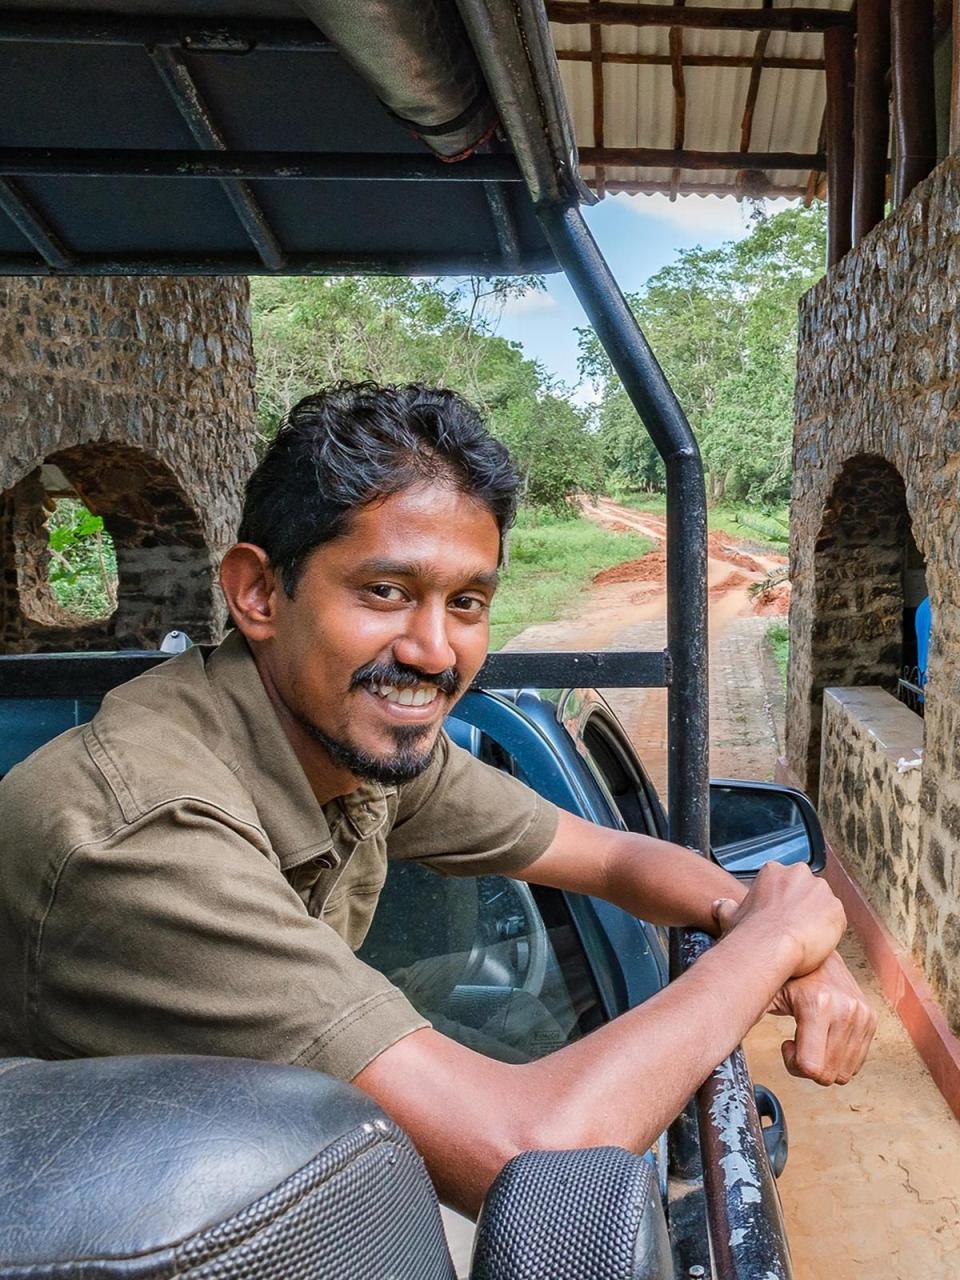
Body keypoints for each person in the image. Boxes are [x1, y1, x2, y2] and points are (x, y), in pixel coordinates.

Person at [0, 383, 875, 1217]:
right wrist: (774, 941)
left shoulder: (349, 743)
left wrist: (775, 928)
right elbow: (535, 1160)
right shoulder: (144, 836)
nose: (431, 650)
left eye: (466, 603)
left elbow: (609, 855)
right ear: (259, 593)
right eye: (385, 592)